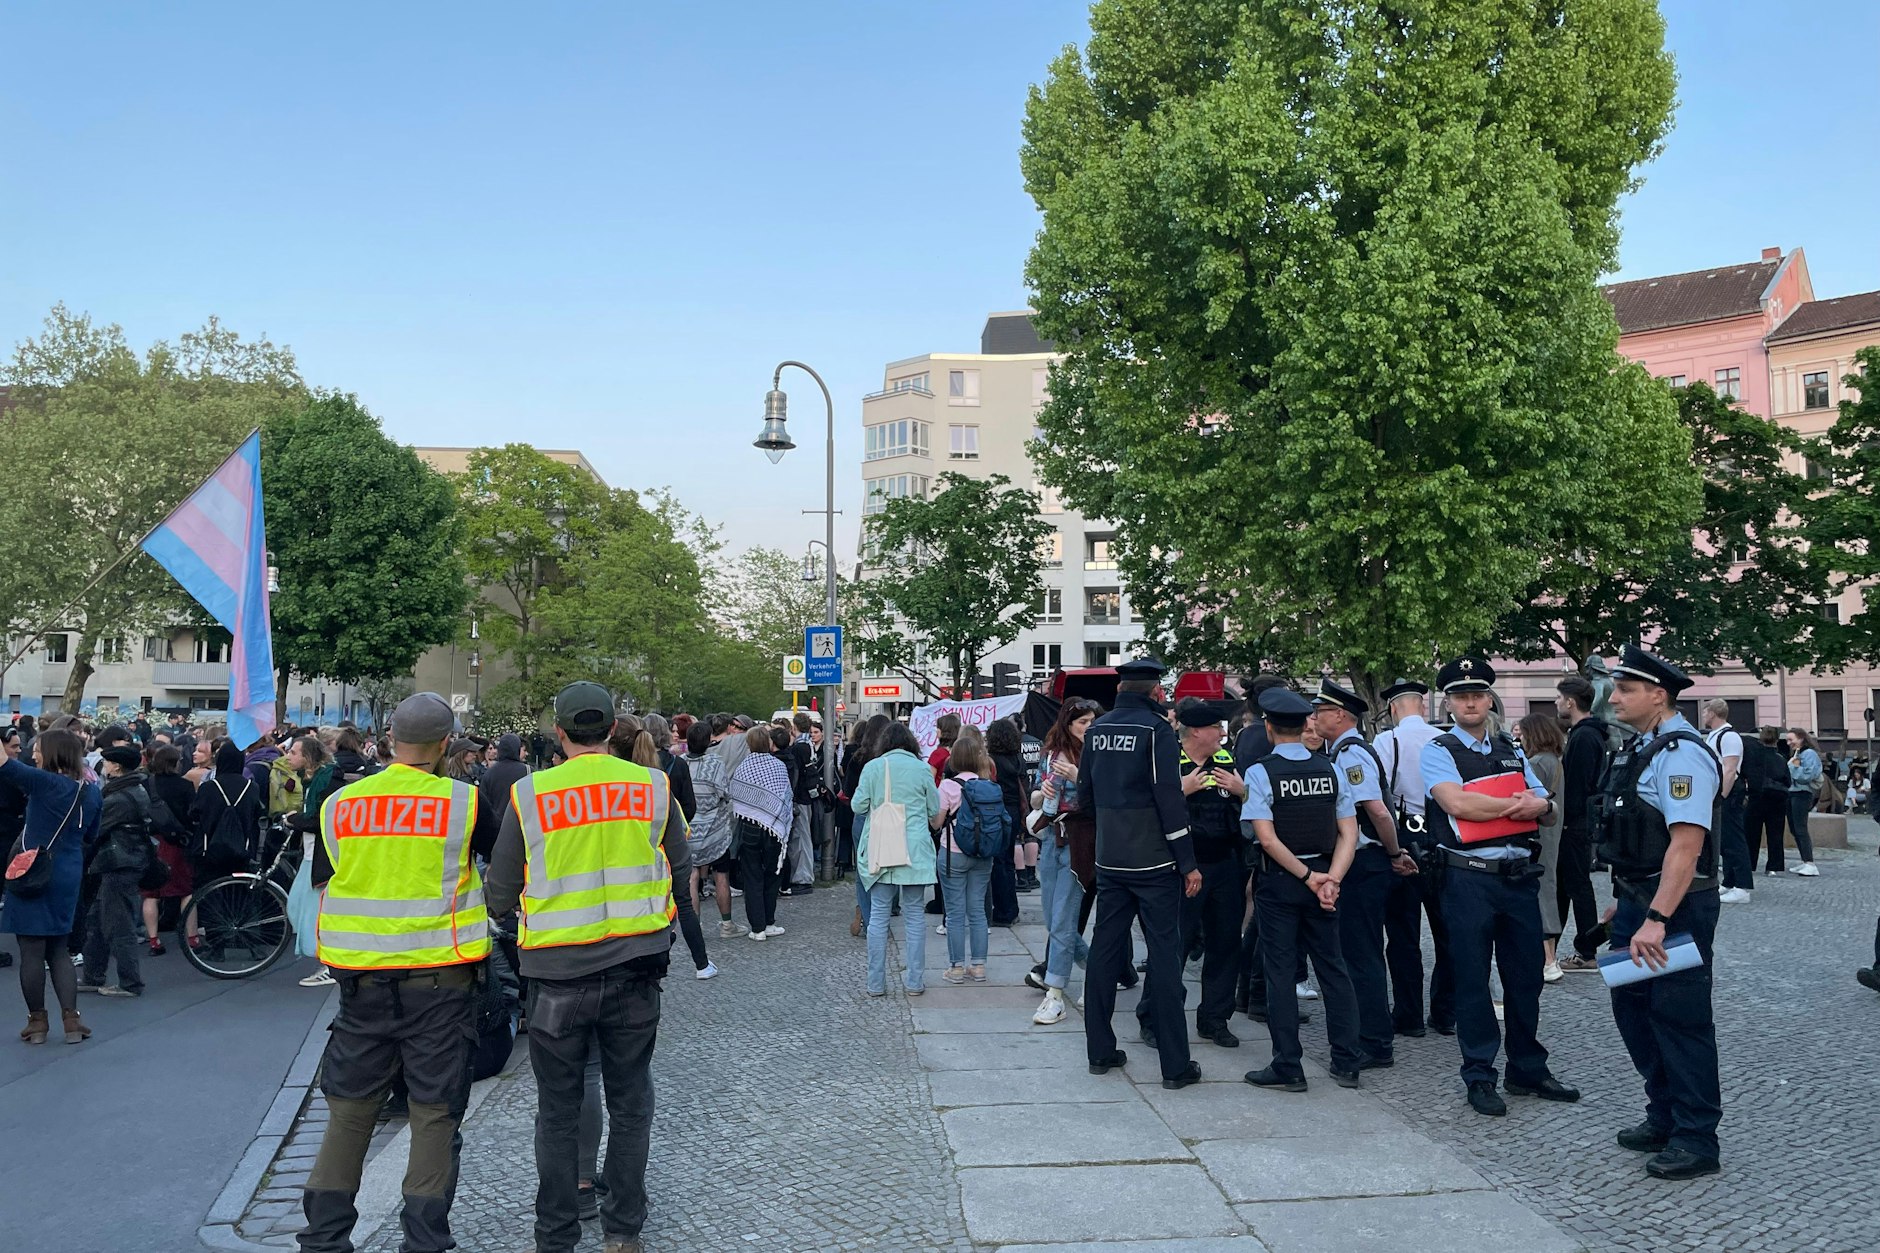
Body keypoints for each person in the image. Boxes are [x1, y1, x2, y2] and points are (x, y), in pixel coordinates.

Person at [484, 681, 689, 1253]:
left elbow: (498, 892)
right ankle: (622, 1231)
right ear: (612, 729)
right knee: (631, 1103)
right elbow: (680, 867)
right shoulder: (653, 787)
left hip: (555, 974)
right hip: (636, 966)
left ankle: (556, 1236)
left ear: (560, 732)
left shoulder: (531, 795)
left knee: (558, 1110)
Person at [297, 693, 491, 1253]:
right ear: (446, 744)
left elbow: (331, 873)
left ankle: (323, 1239)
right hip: (440, 981)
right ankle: (425, 1241)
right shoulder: (464, 802)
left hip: (361, 984)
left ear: (388, 739)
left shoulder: (341, 803)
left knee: (350, 1111)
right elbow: (496, 863)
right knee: (434, 1113)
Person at [1421, 658, 1579, 1118]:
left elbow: (1548, 808)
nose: (1471, 703)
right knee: (1472, 979)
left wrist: (1538, 807)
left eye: (1478, 695)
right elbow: (1456, 804)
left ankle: (1527, 1068)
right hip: (1468, 879)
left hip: (1517, 879)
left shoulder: (1512, 749)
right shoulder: (1439, 750)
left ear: (1489, 700)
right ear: (1449, 704)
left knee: (1526, 978)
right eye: (1461, 696)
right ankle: (1479, 1074)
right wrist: (1520, 806)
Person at [1599, 646, 1724, 1181]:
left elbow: (1686, 846)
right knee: (1632, 1010)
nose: (1614, 698)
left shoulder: (1682, 754)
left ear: (1658, 695)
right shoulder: (1642, 747)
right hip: (1639, 903)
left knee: (1679, 1017)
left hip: (1674, 910)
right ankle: (1665, 1113)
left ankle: (1696, 1137)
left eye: (1625, 689)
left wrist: (1657, 917)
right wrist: (1626, 902)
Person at [1080, 657, 1203, 1091]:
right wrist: (1187, 861)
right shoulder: (1156, 731)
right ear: (1156, 692)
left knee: (1104, 951)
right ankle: (1175, 1065)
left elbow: (1085, 796)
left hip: (1110, 857)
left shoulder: (1096, 729)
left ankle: (1099, 1050)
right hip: (1153, 860)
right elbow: (1169, 799)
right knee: (1164, 955)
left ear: (1120, 690)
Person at [1241, 688, 1364, 1092]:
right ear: (1304, 725)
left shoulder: (1261, 772)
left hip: (1281, 882)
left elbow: (1267, 839)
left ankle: (1288, 1065)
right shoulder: (1330, 769)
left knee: (1279, 972)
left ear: (1269, 727)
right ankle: (1347, 1061)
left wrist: (1307, 877)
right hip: (1326, 878)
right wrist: (1332, 879)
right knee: (1334, 969)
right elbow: (1349, 833)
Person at [1311, 680, 1415, 1069]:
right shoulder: (1343, 750)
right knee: (1359, 950)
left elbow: (1377, 811)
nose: (1315, 718)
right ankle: (1369, 1034)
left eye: (1320, 711)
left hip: (1365, 862)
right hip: (1366, 861)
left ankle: (1374, 1042)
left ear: (1339, 715)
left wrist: (1394, 852)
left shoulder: (1350, 754)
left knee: (1361, 954)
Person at [1143, 699, 1249, 1048]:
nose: (1222, 734)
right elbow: (1146, 810)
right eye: (1217, 728)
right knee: (1173, 945)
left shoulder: (1228, 762)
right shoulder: (1168, 762)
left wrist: (1243, 792)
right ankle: (1155, 1017)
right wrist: (1180, 790)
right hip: (1181, 867)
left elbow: (1255, 808)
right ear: (1197, 732)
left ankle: (1215, 1019)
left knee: (1225, 943)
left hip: (1225, 865)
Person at [4, 730, 102, 1045]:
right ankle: (72, 1019)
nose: (33, 754)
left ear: (52, 752)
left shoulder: (44, 783)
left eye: (38, 749)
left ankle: (37, 1022)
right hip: (68, 871)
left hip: (32, 870)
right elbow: (91, 835)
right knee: (59, 948)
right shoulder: (92, 792)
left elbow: (4, 765)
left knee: (31, 949)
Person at [1371, 678, 1446, 1037]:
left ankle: (1409, 1015)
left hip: (1404, 838)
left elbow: (1379, 792)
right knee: (1448, 933)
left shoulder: (1387, 741)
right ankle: (1445, 1012)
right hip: (1442, 839)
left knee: (1403, 936)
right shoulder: (1443, 739)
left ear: (1393, 708)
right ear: (1422, 705)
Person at [612, 720, 713, 981]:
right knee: (684, 903)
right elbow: (687, 810)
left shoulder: (611, 784)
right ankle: (701, 963)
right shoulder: (663, 777)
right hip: (664, 852)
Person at [851, 722, 944, 996]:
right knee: (914, 916)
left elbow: (858, 805)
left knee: (879, 916)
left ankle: (875, 983)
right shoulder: (921, 769)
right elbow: (934, 808)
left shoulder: (873, 767)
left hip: (882, 847)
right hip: (914, 849)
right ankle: (914, 982)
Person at [1029, 699, 1099, 1024]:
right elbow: (1034, 797)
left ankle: (1055, 994)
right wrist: (1042, 793)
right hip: (1051, 836)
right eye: (1083, 722)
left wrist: (1078, 776)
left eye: (1092, 721)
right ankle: (1099, 968)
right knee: (1052, 919)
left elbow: (1106, 798)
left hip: (1080, 840)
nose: (1088, 727)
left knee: (1063, 919)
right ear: (1068, 724)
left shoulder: (1097, 755)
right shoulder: (1051, 754)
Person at [77, 743, 154, 997]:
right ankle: (92, 975)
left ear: (117, 767)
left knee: (118, 923)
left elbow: (94, 830)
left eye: (108, 762)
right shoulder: (134, 790)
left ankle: (129, 983)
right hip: (125, 861)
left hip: (119, 864)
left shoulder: (118, 798)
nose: (104, 766)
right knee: (99, 920)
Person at [1554, 676, 1611, 974]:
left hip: (1574, 823)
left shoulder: (1585, 737)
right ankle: (1549, 947)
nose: (1555, 703)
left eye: (1558, 698)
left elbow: (1577, 786)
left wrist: (1563, 819)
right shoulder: (1584, 734)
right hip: (1574, 822)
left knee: (1577, 886)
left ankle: (1587, 950)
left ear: (1570, 702)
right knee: (1565, 886)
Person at [936, 736, 1002, 984]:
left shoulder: (948, 786)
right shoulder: (989, 786)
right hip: (983, 854)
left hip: (953, 853)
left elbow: (937, 822)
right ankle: (978, 966)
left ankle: (956, 968)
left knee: (954, 913)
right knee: (977, 911)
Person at [1515, 713, 1567, 982]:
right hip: (1552, 833)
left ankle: (1548, 960)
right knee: (1548, 887)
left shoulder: (1535, 763)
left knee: (1542, 892)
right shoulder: (1554, 761)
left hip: (1538, 836)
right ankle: (1549, 957)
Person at [729, 725, 792, 941]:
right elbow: (786, 797)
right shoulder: (778, 766)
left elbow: (735, 795)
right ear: (769, 743)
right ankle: (769, 921)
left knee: (752, 876)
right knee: (773, 874)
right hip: (774, 829)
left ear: (748, 744)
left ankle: (758, 929)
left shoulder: (743, 767)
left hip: (750, 827)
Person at [682, 720, 739, 938]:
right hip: (715, 831)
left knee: (692, 877)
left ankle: (695, 928)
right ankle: (727, 924)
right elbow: (724, 791)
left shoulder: (680, 763)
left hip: (688, 829)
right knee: (721, 876)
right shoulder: (715, 763)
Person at [141, 743, 197, 955]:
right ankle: (192, 938)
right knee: (186, 891)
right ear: (175, 763)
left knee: (151, 894)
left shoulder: (147, 785)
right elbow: (193, 815)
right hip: (177, 844)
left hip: (151, 842)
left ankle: (154, 940)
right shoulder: (185, 786)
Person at [1699, 700, 1752, 904]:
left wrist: (1722, 795)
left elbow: (1730, 769)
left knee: (1734, 838)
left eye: (1705, 711)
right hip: (1719, 789)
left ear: (1713, 713)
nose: (1703, 714)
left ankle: (1742, 886)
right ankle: (1730, 881)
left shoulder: (1729, 736)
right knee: (1724, 839)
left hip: (1728, 790)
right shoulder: (1715, 734)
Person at [983, 718, 1027, 925]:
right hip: (1015, 810)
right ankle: (1010, 908)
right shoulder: (1018, 759)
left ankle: (1003, 910)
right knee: (1007, 860)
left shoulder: (991, 760)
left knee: (999, 862)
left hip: (997, 810)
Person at [1744, 727, 1791, 874]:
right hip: (1777, 799)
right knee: (1776, 834)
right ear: (1777, 740)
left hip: (1757, 797)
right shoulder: (1781, 759)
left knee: (1751, 833)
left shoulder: (1754, 758)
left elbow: (1747, 776)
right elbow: (1788, 780)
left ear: (1761, 738)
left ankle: (1750, 864)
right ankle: (1774, 867)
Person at [1784, 729, 1822, 876]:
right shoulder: (1798, 754)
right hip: (1793, 793)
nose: (1788, 743)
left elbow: (1807, 775)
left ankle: (1810, 863)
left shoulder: (1809, 754)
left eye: (1791, 739)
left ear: (1801, 738)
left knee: (1800, 828)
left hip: (1802, 793)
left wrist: (1792, 767)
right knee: (1795, 828)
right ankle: (1805, 861)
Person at [928, 712, 960, 784]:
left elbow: (930, 779)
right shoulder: (960, 751)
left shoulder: (938, 754)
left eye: (938, 727)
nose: (936, 730)